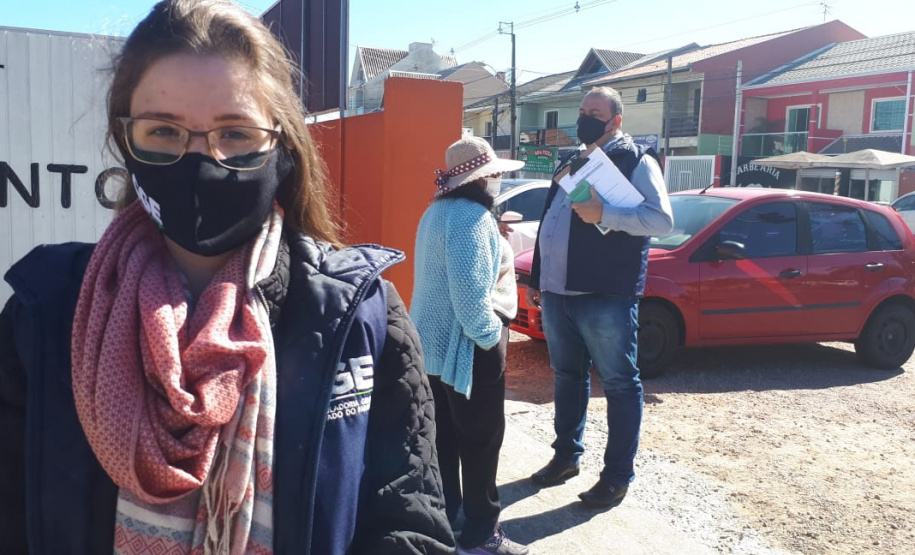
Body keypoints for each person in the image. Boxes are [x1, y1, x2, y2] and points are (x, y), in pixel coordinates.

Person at [0, 1, 454, 553]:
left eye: (235, 133)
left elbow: (410, 525)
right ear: (125, 138)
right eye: (163, 131)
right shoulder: (48, 311)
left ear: (282, 143)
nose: (203, 162)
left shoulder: (357, 314)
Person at [526, 87, 674, 508]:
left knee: (620, 384)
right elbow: (550, 222)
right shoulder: (573, 159)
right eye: (582, 110)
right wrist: (538, 276)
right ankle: (566, 458)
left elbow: (661, 220)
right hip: (558, 291)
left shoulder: (636, 160)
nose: (585, 117)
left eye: (595, 112)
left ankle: (615, 477)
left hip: (605, 294)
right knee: (567, 377)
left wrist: (604, 214)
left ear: (616, 120)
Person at [411, 137, 529, 555]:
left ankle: (449, 520)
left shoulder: (436, 212)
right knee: (481, 443)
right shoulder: (471, 219)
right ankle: (482, 534)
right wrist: (489, 338)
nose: (499, 179)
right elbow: (468, 297)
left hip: (431, 347)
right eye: (495, 173)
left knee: (443, 439)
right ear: (482, 178)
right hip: (468, 348)